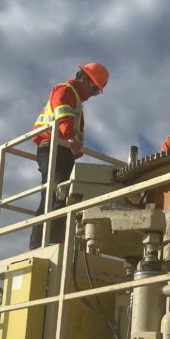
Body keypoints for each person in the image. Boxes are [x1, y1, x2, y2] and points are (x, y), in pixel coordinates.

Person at [29, 62, 109, 249]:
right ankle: (46, 244)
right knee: (55, 197)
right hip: (54, 148)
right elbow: (63, 115)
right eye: (94, 88)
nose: (94, 94)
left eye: (97, 91)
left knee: (60, 198)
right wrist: (71, 139)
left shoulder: (76, 98)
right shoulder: (65, 90)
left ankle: (54, 242)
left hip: (62, 150)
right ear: (83, 77)